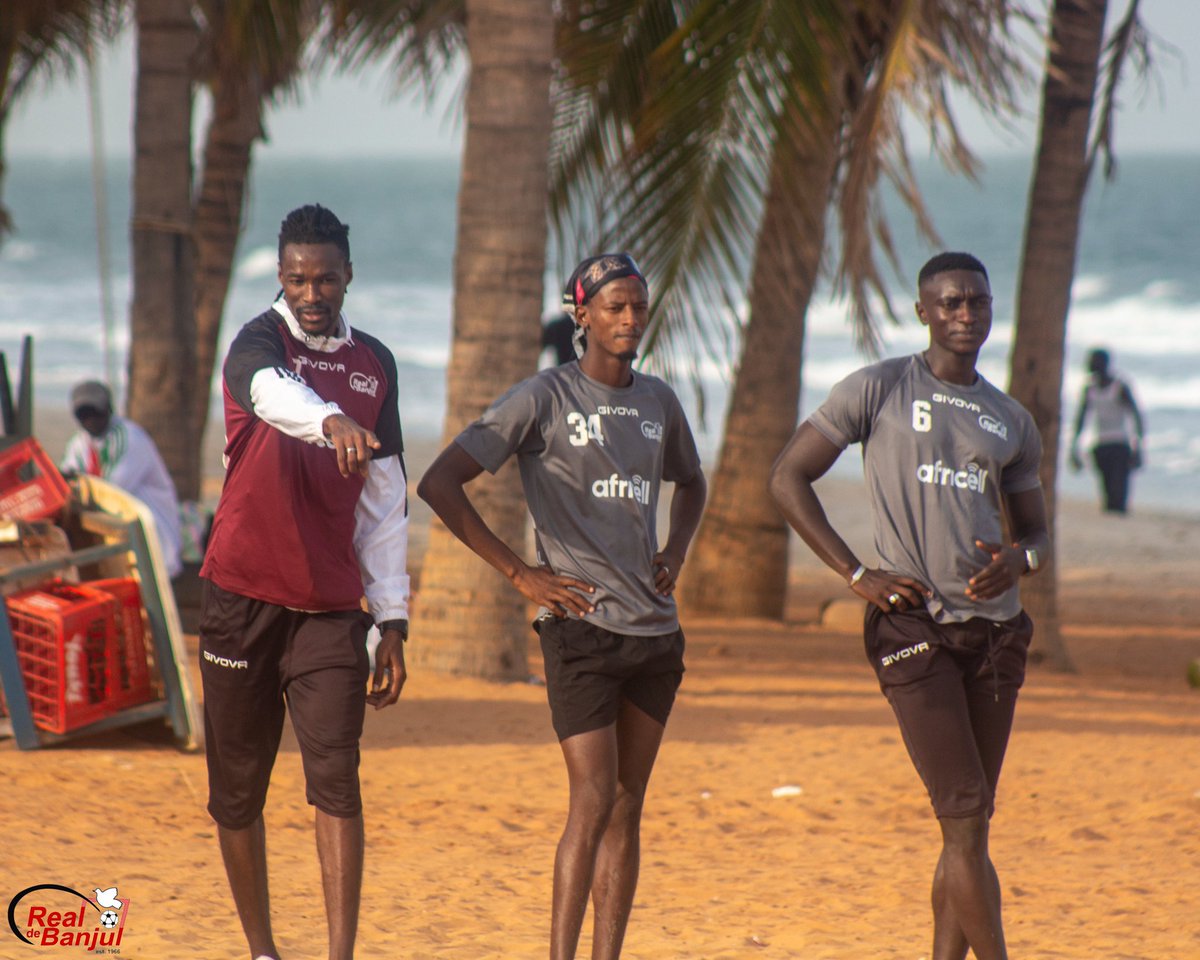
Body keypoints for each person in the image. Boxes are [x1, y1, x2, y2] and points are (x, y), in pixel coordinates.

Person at [417, 253, 707, 960]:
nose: (630, 319)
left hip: (654, 635)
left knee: (629, 805)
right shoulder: (542, 397)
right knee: (594, 799)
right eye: (613, 307)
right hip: (579, 629)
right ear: (581, 315)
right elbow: (441, 482)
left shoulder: (658, 402)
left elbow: (693, 484)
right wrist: (519, 572)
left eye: (638, 305)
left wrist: (675, 551)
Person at [768, 251, 1050, 960]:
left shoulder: (1010, 419)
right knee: (961, 817)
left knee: (971, 827)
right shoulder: (879, 388)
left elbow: (1038, 531)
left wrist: (1023, 559)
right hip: (912, 628)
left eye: (977, 302)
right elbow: (788, 477)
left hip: (996, 635)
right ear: (923, 311)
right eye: (950, 303)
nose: (965, 315)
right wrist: (854, 572)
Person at [198, 204, 410, 960]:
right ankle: (262, 950)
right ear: (280, 277)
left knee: (338, 781)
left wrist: (392, 620)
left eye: (323, 278)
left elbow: (385, 506)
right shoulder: (258, 342)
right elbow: (268, 395)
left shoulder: (376, 364)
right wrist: (329, 422)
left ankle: (340, 954)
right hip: (239, 600)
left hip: (328, 611)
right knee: (237, 792)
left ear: (347, 275)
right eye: (296, 279)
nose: (310, 293)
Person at [60, 380, 184, 578]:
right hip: (116, 538)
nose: (89, 420)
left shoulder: (130, 438)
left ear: (108, 409)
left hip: (152, 539)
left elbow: (110, 491)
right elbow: (66, 481)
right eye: (83, 415)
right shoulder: (80, 443)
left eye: (95, 412)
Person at [1068, 347, 1145, 514]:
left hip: (1120, 445)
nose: (1088, 365)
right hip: (1101, 445)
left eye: (1092, 361)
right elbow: (1081, 419)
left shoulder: (1119, 387)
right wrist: (1074, 447)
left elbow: (1136, 415)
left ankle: (1119, 522)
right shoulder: (1090, 390)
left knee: (1118, 494)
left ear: (1103, 364)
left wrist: (1138, 446)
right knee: (1108, 494)